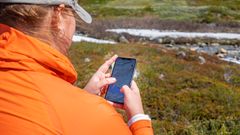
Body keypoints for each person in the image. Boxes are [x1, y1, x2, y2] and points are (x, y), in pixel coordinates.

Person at [0, 0, 153, 135]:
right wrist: (138, 119)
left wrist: (81, 97)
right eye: (72, 12)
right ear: (58, 16)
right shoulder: (99, 117)